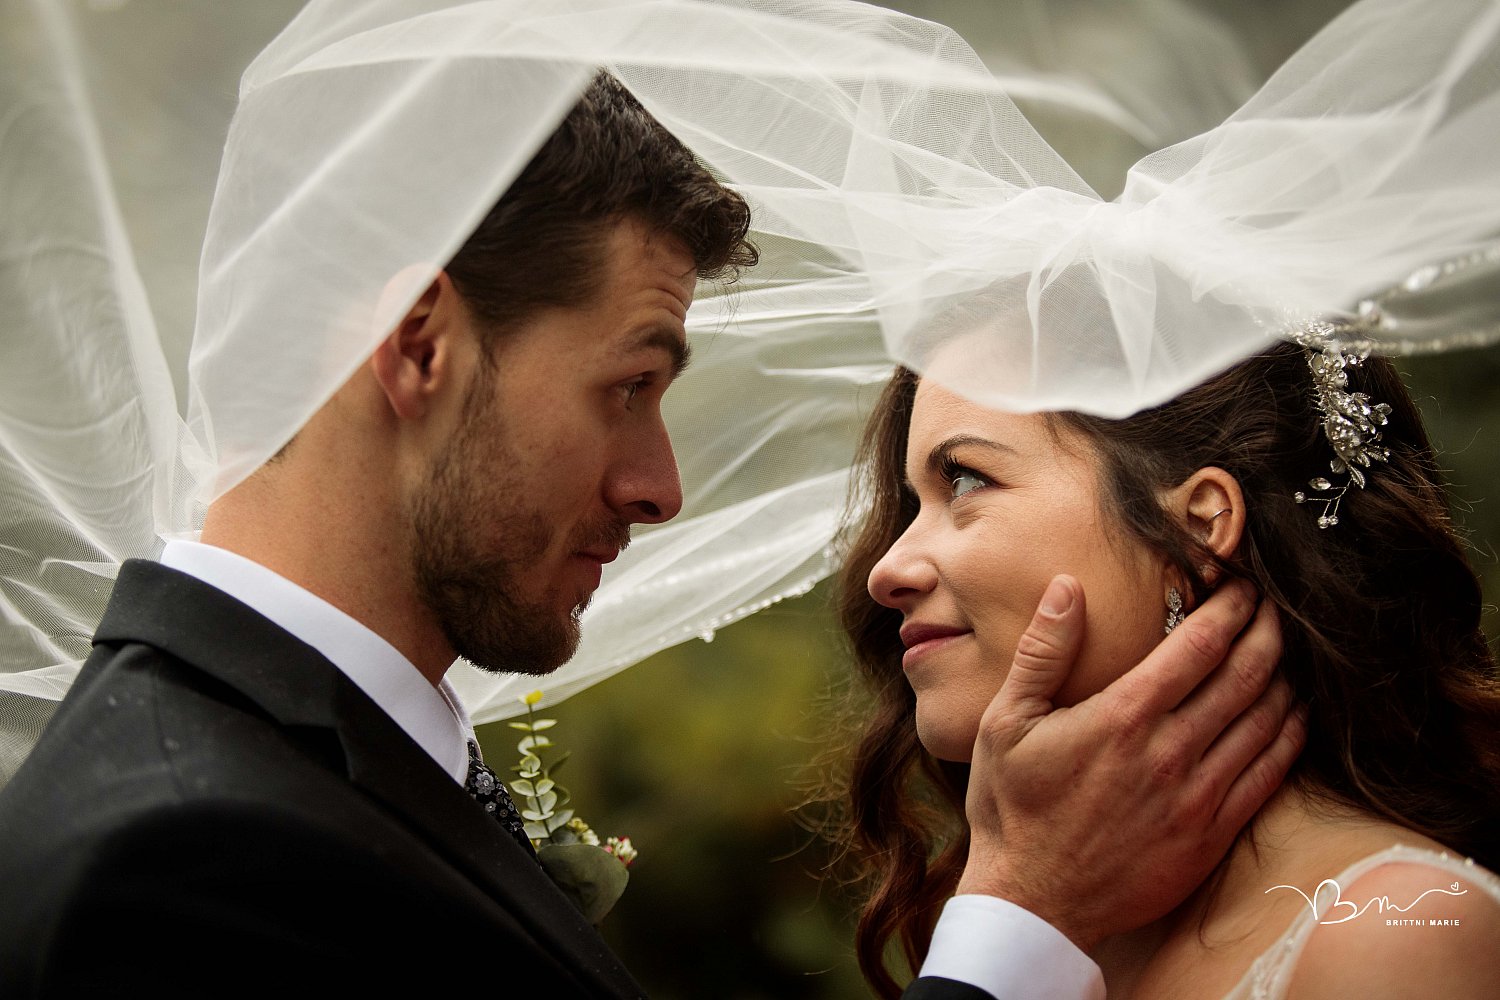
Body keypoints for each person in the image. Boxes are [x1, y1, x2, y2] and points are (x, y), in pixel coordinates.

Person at [0, 43, 1307, 1000]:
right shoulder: (178, 868)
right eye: (628, 385)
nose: (660, 487)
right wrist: (1021, 919)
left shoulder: (294, 771)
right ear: (419, 350)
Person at [833, 338, 1500, 998]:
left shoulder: (1396, 932)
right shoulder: (1040, 918)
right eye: (912, 503)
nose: (888, 570)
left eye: (967, 481)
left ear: (1200, 526)